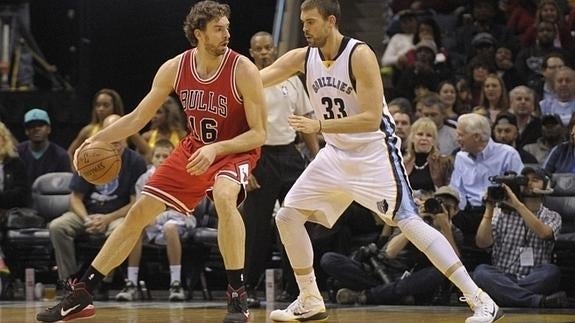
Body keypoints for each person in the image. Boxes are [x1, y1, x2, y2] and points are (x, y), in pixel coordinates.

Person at [259, 1, 502, 322]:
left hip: (373, 152)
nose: (305, 28)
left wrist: (319, 126)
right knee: (287, 216)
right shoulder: (302, 57)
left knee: (409, 223)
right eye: (302, 22)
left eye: (311, 22)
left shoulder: (359, 55)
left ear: (331, 21)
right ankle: (309, 297)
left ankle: (480, 299)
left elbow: (372, 118)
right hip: (335, 153)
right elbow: (254, 80)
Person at [36, 2, 267, 322]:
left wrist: (217, 150)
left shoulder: (244, 70)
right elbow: (137, 118)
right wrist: (97, 139)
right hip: (194, 148)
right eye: (219, 28)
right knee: (139, 212)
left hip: (234, 150)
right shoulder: (174, 67)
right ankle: (82, 294)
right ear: (199, 34)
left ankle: (236, 296)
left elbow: (259, 134)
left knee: (226, 197)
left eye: (227, 27)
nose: (227, 34)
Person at [242, 31, 319, 307]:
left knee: (295, 222)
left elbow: (306, 120)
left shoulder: (292, 79)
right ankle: (247, 288)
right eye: (258, 49)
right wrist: (244, 168)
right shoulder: (247, 81)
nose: (264, 53)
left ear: (275, 50)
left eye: (267, 48)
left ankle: (297, 288)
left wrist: (318, 158)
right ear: (252, 52)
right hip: (258, 157)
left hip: (289, 155)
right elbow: (238, 128)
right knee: (256, 227)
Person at [47, 114, 147, 289]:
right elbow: (75, 198)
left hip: (116, 216)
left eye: (119, 130)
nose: (115, 135)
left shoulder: (136, 161)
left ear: (126, 132)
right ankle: (69, 281)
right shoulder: (89, 156)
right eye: (111, 131)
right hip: (88, 214)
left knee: (120, 230)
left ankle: (100, 282)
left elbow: (135, 203)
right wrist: (87, 219)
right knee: (57, 226)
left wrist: (107, 219)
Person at [322, 186, 463, 306]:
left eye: (447, 206)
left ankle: (366, 296)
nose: (440, 208)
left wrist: (444, 227)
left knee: (437, 273)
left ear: (456, 211)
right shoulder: (411, 221)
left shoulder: (454, 232)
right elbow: (390, 253)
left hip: (408, 279)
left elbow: (455, 266)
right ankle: (390, 295)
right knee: (329, 259)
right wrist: (416, 223)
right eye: (438, 203)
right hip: (380, 271)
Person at [474, 166, 567, 308]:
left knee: (552, 272)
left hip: (534, 277)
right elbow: (482, 243)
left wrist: (518, 205)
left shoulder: (552, 216)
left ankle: (504, 295)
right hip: (502, 275)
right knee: (481, 272)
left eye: (535, 180)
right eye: (525, 180)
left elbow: (544, 233)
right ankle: (537, 301)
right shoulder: (501, 213)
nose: (528, 183)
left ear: (546, 185)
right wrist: (489, 208)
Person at [115, 139, 193, 302]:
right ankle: (131, 283)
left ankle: (176, 283)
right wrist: (146, 219)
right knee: (135, 228)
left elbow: (181, 210)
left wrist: (156, 217)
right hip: (152, 224)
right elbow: (138, 208)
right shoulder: (143, 179)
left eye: (166, 156)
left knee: (169, 227)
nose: (161, 159)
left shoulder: (183, 177)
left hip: (179, 221)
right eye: (158, 156)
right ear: (152, 159)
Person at [450, 113, 524, 244]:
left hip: (498, 213)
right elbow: (456, 190)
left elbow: (519, 192)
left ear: (476, 137)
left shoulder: (508, 154)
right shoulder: (461, 157)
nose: (457, 139)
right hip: (467, 212)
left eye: (461, 135)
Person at [16, 108, 71, 188]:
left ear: (49, 129)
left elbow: (65, 186)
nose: (36, 129)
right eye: (32, 126)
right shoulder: (16, 153)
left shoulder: (60, 156)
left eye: (41, 125)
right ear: (26, 131)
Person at [402, 117, 453, 195]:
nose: (424, 138)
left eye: (429, 135)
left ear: (434, 141)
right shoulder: (403, 163)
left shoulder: (444, 163)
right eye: (420, 134)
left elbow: (449, 191)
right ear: (412, 138)